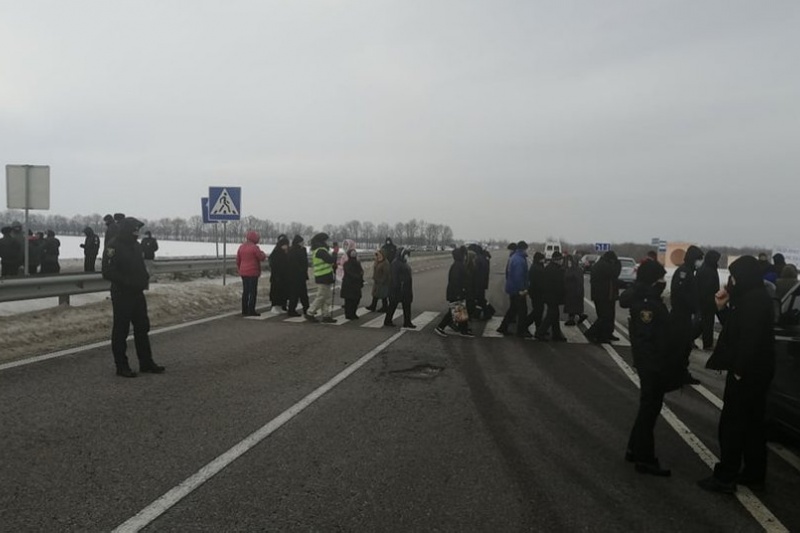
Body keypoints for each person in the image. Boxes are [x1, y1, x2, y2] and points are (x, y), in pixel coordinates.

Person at [698, 256, 776, 494]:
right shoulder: (754, 297)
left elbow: (749, 340)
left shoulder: (754, 302)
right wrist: (722, 308)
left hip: (748, 373)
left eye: (734, 276)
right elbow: (734, 327)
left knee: (732, 425)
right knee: (753, 425)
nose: (731, 281)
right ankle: (754, 473)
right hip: (758, 373)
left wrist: (740, 370)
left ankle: (725, 477)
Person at [619, 259, 673, 477]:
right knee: (649, 409)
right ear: (652, 280)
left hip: (649, 362)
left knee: (647, 408)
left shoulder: (647, 298)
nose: (663, 282)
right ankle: (645, 458)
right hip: (651, 364)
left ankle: (634, 448)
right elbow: (647, 338)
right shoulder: (647, 303)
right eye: (660, 278)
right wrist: (657, 365)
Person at [101, 217, 164, 377]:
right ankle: (121, 366)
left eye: (138, 230)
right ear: (128, 230)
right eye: (135, 229)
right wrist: (127, 282)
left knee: (142, 327)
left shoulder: (136, 246)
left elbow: (140, 266)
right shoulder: (113, 246)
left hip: (137, 293)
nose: (137, 233)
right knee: (121, 330)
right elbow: (107, 271)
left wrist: (144, 278)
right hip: (122, 293)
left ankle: (146, 362)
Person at [670, 245, 704, 385]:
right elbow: (680, 294)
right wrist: (693, 307)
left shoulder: (690, 271)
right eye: (699, 259)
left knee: (685, 346)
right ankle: (676, 372)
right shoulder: (683, 272)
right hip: (680, 315)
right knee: (680, 345)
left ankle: (680, 372)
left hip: (685, 315)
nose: (700, 262)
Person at [435, 246, 473, 337]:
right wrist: (460, 293)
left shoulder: (458, 264)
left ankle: (463, 330)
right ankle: (440, 327)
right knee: (455, 311)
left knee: (460, 311)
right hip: (456, 292)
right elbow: (456, 281)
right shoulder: (458, 266)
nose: (465, 257)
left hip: (456, 292)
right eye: (464, 255)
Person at [586, 251, 622, 343]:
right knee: (604, 317)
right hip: (603, 296)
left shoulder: (602, 264)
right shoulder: (603, 265)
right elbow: (614, 273)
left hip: (606, 295)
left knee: (609, 316)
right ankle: (595, 334)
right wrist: (618, 264)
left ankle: (608, 333)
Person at [497, 241, 530, 338]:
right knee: (523, 311)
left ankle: (503, 327)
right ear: (524, 248)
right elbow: (518, 276)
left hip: (513, 288)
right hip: (518, 290)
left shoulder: (514, 257)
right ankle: (521, 331)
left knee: (513, 309)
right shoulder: (519, 260)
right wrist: (521, 289)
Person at [305, 232, 337, 323]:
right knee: (321, 296)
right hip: (323, 276)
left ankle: (326, 315)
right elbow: (330, 260)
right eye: (326, 240)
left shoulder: (320, 250)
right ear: (322, 241)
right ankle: (310, 312)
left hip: (324, 276)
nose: (328, 242)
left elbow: (328, 262)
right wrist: (335, 252)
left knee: (326, 297)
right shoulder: (320, 251)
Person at [536, 251, 567, 341]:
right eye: (561, 259)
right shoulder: (555, 270)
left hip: (550, 296)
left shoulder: (550, 268)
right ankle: (540, 333)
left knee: (555, 315)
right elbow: (558, 285)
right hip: (552, 296)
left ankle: (556, 334)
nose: (562, 261)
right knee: (551, 316)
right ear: (557, 260)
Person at [236, 230, 267, 317]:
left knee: (245, 291)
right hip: (253, 272)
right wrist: (263, 254)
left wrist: (240, 269)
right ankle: (251, 310)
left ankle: (244, 309)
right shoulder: (254, 248)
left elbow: (238, 260)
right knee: (252, 292)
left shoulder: (241, 247)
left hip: (243, 272)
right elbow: (261, 257)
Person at [696, 250, 721, 351]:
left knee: (704, 323)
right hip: (707, 301)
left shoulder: (707, 268)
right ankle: (707, 344)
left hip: (707, 300)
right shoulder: (708, 270)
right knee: (706, 323)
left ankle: (706, 343)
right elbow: (707, 288)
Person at [384, 247, 414, 328]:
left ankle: (407, 322)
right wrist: (397, 287)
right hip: (398, 289)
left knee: (407, 305)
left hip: (405, 288)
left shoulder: (404, 263)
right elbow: (394, 277)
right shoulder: (395, 263)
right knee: (392, 305)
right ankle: (387, 321)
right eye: (406, 255)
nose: (407, 257)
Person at [286, 234, 310, 317]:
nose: (303, 243)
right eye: (302, 242)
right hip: (296, 275)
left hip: (299, 275)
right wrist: (301, 270)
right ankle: (292, 310)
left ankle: (306, 309)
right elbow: (294, 263)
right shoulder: (293, 251)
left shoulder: (301, 250)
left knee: (302, 294)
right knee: (295, 294)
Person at [563, 254, 588, 326]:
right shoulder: (576, 269)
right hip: (573, 291)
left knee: (572, 306)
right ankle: (579, 316)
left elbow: (578, 281)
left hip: (573, 291)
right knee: (574, 306)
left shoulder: (574, 270)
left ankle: (572, 319)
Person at [341, 248, 364, 319]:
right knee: (349, 300)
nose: (354, 254)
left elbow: (361, 271)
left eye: (354, 253)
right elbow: (350, 273)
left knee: (356, 300)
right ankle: (348, 314)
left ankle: (353, 313)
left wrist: (361, 277)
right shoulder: (347, 263)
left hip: (356, 284)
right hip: (349, 284)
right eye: (352, 253)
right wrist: (357, 276)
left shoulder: (357, 263)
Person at [268, 234, 290, 310]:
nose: (286, 246)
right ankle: (275, 305)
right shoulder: (276, 252)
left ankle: (283, 305)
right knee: (276, 291)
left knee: (284, 291)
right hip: (277, 276)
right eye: (284, 245)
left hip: (285, 276)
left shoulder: (287, 252)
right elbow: (273, 264)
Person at [526, 252, 546, 330]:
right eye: (542, 259)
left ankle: (539, 327)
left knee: (538, 311)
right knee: (537, 311)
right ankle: (525, 324)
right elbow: (539, 283)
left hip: (536, 293)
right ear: (539, 259)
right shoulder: (537, 269)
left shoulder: (536, 266)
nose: (544, 260)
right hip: (537, 293)